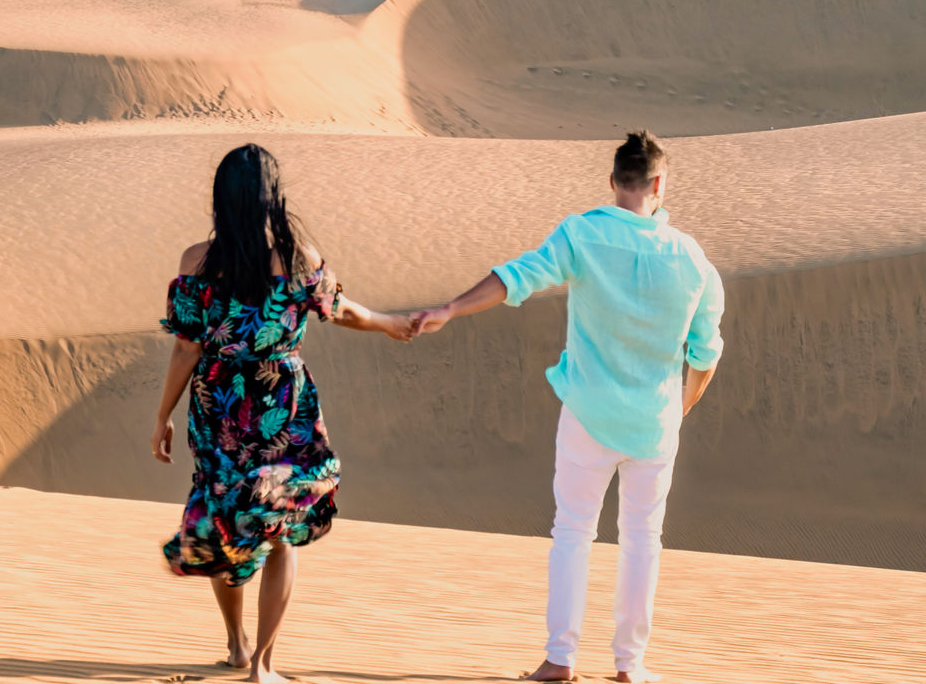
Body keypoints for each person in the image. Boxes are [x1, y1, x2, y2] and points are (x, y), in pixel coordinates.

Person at [412, 130, 724, 683]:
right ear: (659, 183)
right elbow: (705, 353)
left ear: (613, 182)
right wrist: (679, 410)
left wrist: (451, 308)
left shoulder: (582, 234)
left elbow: (517, 277)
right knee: (642, 541)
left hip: (587, 414)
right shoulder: (693, 259)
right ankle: (630, 665)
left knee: (573, 533)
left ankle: (560, 659)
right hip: (654, 424)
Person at [152, 143, 414, 684]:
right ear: (274, 198)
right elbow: (341, 310)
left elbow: (186, 348)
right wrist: (388, 321)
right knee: (278, 532)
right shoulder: (300, 261)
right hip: (283, 405)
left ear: (221, 199)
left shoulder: (196, 263)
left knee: (227, 521)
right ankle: (263, 667)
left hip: (219, 406)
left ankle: (238, 646)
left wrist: (163, 416)